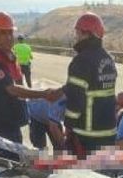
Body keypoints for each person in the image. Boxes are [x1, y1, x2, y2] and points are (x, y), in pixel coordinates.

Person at [0, 12, 55, 160]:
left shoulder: (10, 56)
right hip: (3, 122)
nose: (9, 37)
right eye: (3, 33)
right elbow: (12, 89)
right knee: (11, 162)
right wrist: (43, 94)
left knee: (18, 157)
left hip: (13, 120)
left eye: (10, 32)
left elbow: (20, 84)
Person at [48, 12, 117, 157]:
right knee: (104, 175)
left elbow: (75, 99)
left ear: (87, 34)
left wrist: (69, 125)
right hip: (109, 132)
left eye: (78, 32)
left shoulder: (81, 61)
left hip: (87, 134)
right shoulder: (108, 59)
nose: (76, 36)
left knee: (82, 176)